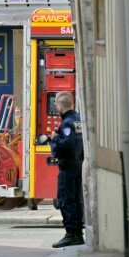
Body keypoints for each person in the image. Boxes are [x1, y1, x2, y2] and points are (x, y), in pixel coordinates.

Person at [48, 91, 85, 248]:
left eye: (56, 104)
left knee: (65, 200)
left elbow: (65, 146)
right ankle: (77, 234)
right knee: (76, 200)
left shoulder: (67, 123)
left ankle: (71, 234)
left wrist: (54, 138)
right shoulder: (78, 120)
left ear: (59, 105)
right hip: (78, 164)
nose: (55, 107)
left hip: (68, 165)